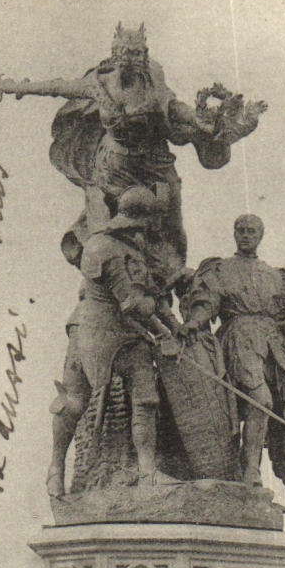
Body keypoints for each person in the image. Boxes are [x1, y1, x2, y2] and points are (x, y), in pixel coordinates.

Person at [0, 24, 265, 270]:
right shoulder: (99, 83)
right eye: (125, 53)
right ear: (115, 55)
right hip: (113, 166)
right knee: (106, 225)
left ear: (144, 55)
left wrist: (197, 120)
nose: (130, 59)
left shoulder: (153, 80)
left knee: (172, 224)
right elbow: (58, 87)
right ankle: (105, 272)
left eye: (136, 53)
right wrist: (18, 87)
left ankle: (172, 272)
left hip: (154, 162)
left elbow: (173, 107)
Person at [50, 187, 184, 493]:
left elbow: (150, 293)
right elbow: (133, 302)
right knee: (74, 402)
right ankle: (55, 469)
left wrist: (173, 327)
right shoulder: (101, 247)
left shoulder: (133, 247)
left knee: (145, 399)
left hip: (127, 332)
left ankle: (147, 472)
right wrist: (162, 330)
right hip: (97, 332)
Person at [185, 215, 285, 504]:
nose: (246, 235)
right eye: (241, 230)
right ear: (234, 233)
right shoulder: (221, 269)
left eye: (252, 231)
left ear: (261, 236)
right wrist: (194, 323)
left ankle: (250, 470)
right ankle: (250, 471)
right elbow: (207, 304)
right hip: (239, 340)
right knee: (261, 400)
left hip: (275, 346)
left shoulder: (277, 276)